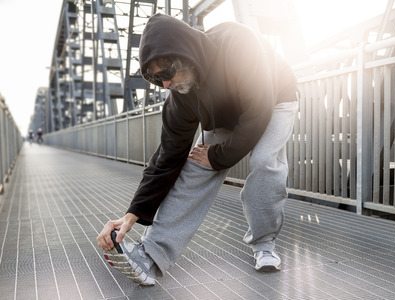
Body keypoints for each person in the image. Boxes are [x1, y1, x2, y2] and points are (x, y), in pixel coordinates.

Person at [97, 13, 298, 286]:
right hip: (228, 115)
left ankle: (264, 244)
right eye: (157, 81)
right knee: (195, 167)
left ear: (185, 54)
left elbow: (257, 114)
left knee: (265, 162)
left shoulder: (239, 44)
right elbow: (168, 155)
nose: (166, 84)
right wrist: (132, 213)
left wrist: (217, 156)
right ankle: (150, 255)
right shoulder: (181, 95)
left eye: (167, 73)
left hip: (274, 101)